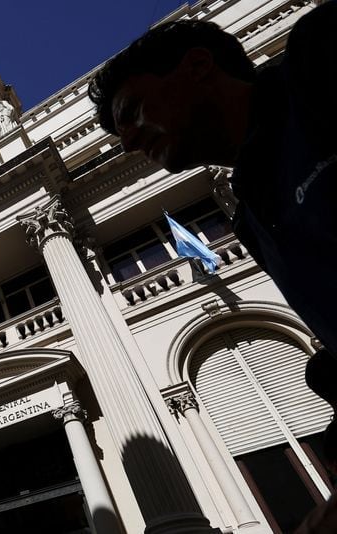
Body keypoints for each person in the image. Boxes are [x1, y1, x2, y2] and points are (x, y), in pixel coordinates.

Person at [88, 3, 336, 531]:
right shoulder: (252, 211)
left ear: (198, 66)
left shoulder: (319, 61)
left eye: (132, 111)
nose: (129, 141)